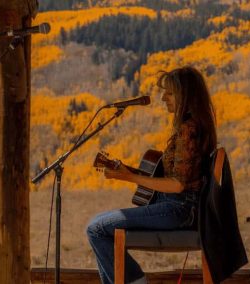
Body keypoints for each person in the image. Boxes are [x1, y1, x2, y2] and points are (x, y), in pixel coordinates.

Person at [86, 66, 217, 284]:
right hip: (178, 207)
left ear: (186, 96)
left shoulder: (189, 130)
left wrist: (128, 177)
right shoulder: (193, 127)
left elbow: (177, 185)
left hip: (178, 209)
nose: (163, 97)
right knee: (97, 225)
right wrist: (129, 173)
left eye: (170, 93)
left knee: (96, 228)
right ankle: (135, 281)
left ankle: (136, 281)